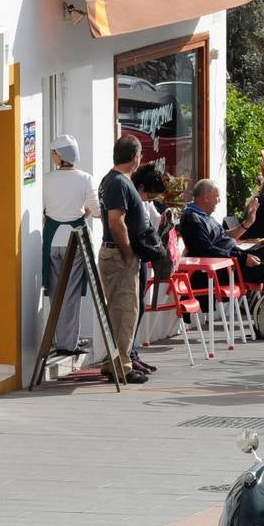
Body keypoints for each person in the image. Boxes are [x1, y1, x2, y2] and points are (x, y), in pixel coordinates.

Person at [178, 179, 264, 285]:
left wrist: (248, 222)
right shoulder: (192, 219)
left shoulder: (204, 216)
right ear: (206, 197)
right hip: (228, 268)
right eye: (217, 196)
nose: (219, 200)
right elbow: (206, 250)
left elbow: (225, 236)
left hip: (235, 259)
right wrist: (242, 258)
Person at [97, 135, 150, 384]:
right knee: (126, 310)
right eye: (139, 156)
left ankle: (114, 362)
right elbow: (116, 221)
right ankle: (122, 367)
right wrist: (128, 253)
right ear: (134, 157)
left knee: (118, 312)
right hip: (119, 255)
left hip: (115, 253)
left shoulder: (114, 180)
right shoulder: (118, 182)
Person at [41, 133, 99, 356]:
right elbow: (96, 210)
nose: (53, 157)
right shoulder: (85, 178)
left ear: (60, 155)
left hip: (52, 241)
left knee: (56, 292)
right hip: (75, 242)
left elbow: (42, 211)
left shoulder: (45, 179)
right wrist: (83, 212)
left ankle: (58, 339)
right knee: (71, 293)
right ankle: (67, 343)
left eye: (53, 153)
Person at [129, 166, 170, 374]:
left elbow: (154, 221)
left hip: (143, 256)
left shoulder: (144, 201)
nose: (148, 200)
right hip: (133, 255)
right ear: (141, 187)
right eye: (149, 195)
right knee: (132, 307)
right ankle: (129, 354)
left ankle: (133, 352)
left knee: (140, 306)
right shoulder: (132, 197)